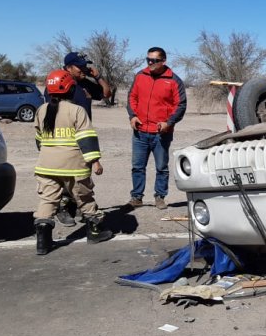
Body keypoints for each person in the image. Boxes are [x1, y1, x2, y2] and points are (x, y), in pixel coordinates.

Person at [34, 69, 113, 255]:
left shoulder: (41, 110)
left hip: (45, 165)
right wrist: (95, 162)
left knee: (47, 200)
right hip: (73, 166)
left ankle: (43, 242)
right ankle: (94, 233)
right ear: (70, 89)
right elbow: (86, 139)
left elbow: (39, 139)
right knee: (84, 198)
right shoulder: (77, 111)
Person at [46, 52, 112, 226]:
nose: (84, 69)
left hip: (82, 135)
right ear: (68, 68)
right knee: (66, 175)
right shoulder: (58, 84)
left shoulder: (84, 83)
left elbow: (106, 93)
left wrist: (98, 77)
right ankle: (64, 208)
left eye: (85, 66)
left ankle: (83, 209)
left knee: (82, 175)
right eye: (80, 67)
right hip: (65, 138)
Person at [126, 47, 187, 210]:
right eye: (148, 60)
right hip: (140, 132)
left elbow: (180, 105)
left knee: (161, 167)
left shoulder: (174, 80)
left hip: (161, 134)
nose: (150, 63)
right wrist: (132, 116)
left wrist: (169, 122)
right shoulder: (140, 76)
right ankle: (136, 197)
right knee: (137, 166)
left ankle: (160, 196)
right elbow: (132, 97)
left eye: (154, 61)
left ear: (163, 61)